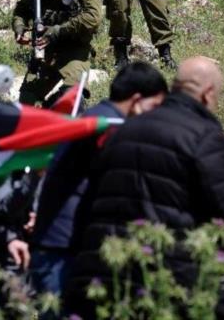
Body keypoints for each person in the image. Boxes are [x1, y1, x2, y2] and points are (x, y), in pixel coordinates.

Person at [64, 57, 224, 318]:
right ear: (207, 94)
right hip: (167, 275)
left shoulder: (122, 129)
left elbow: (90, 200)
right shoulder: (203, 135)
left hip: (104, 270)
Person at [29, 62, 168, 303]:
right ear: (136, 100)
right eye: (154, 106)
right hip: (65, 246)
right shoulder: (108, 128)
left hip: (55, 239)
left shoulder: (94, 118)